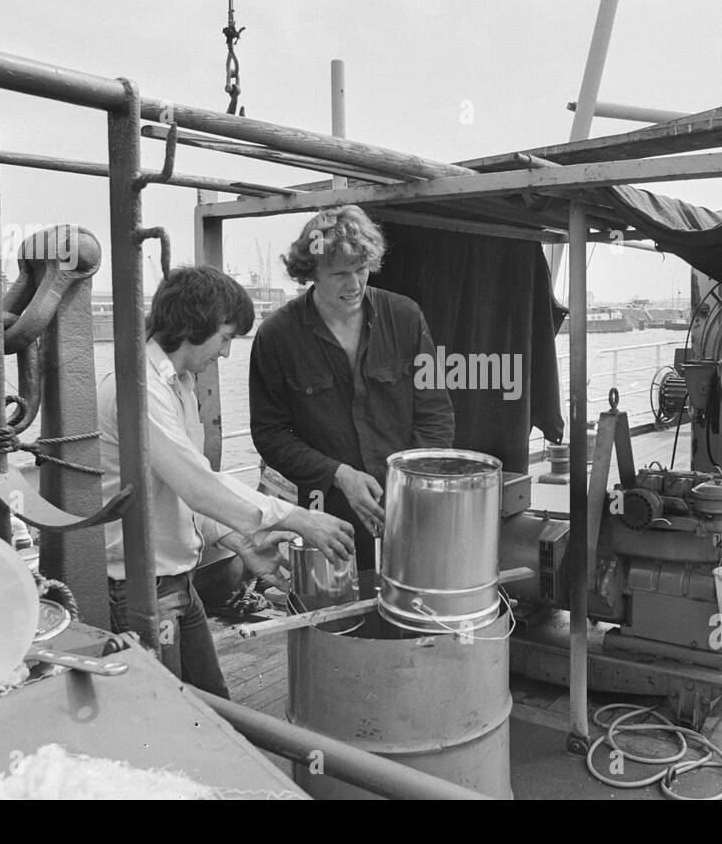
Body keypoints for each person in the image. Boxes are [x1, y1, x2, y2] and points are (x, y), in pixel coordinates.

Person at [99, 266, 354, 698]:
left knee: (213, 704)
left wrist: (240, 542)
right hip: (140, 586)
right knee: (175, 717)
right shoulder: (138, 388)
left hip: (175, 578)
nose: (227, 353)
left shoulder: (177, 383)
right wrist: (297, 518)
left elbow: (183, 488)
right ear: (193, 325)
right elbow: (197, 484)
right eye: (225, 337)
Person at [248, 205, 455, 574]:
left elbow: (436, 412)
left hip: (407, 505)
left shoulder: (405, 316)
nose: (355, 284)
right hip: (324, 515)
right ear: (310, 273)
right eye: (340, 273)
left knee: (411, 613)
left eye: (361, 270)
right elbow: (270, 434)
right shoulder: (276, 336)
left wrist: (408, 485)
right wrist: (339, 474)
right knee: (335, 621)